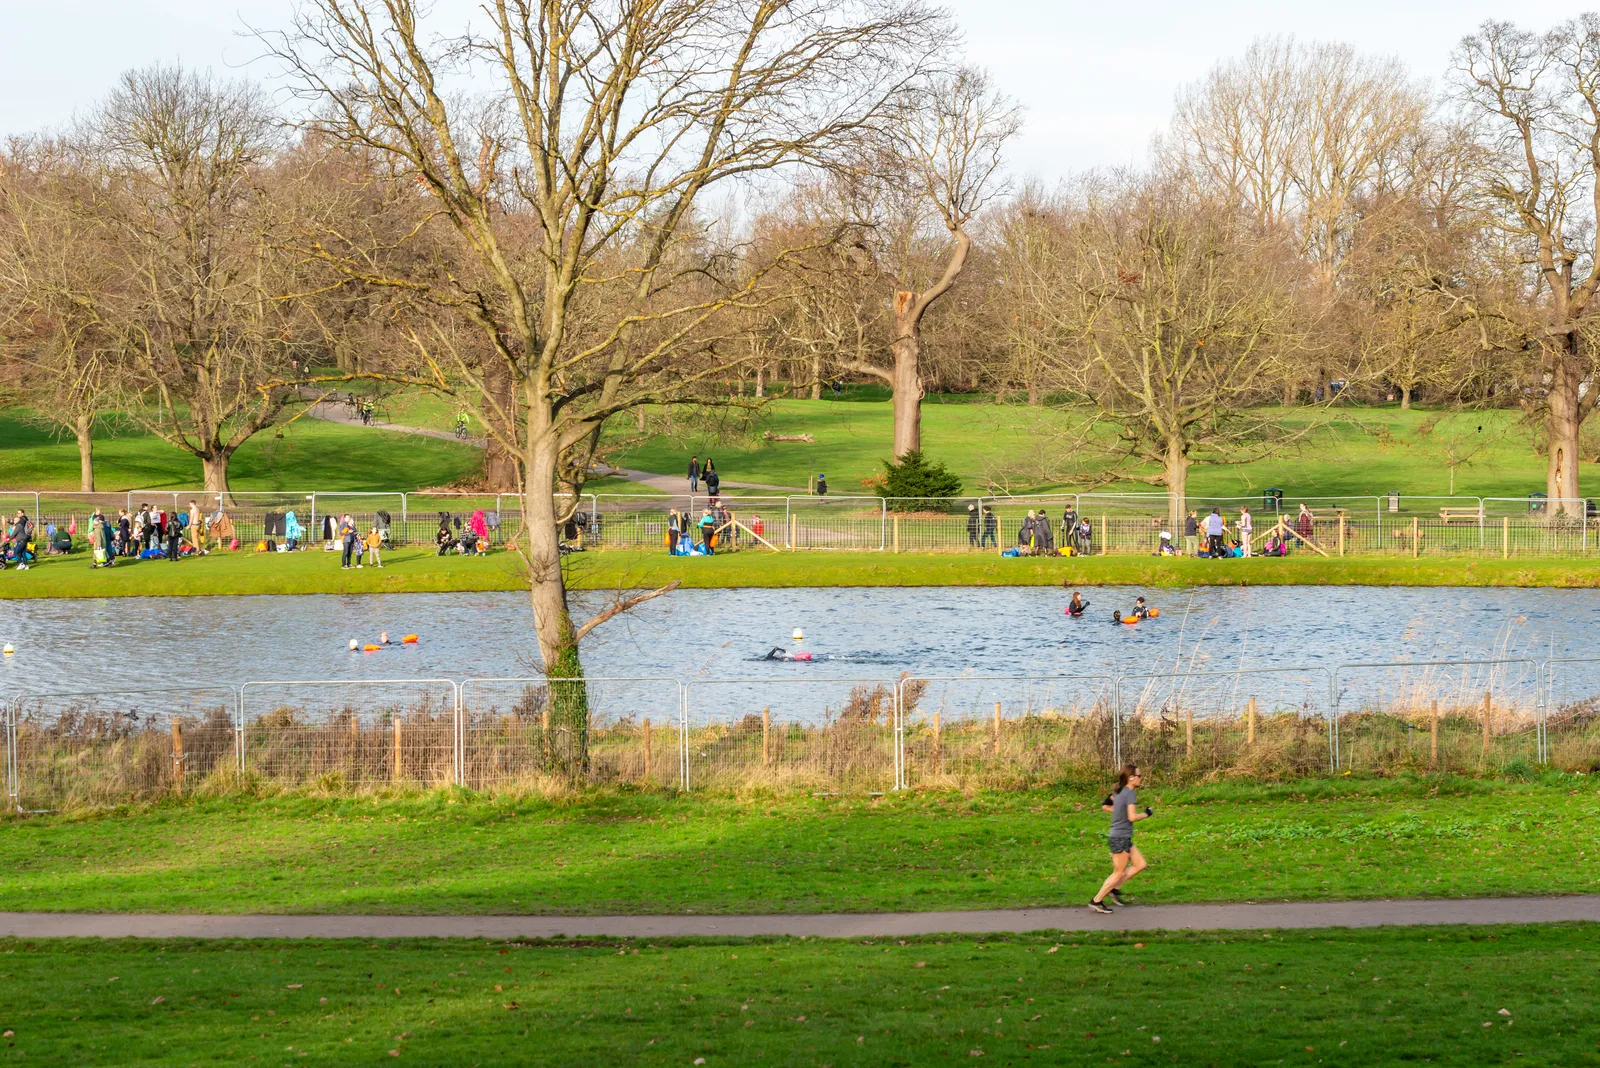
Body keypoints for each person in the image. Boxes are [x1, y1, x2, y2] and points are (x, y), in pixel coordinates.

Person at [1089, 764, 1154, 913]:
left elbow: (1105, 805)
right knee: (1118, 872)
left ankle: (1115, 889)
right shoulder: (1130, 793)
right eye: (1139, 776)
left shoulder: (1119, 789)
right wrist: (1146, 814)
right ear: (1131, 778)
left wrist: (1118, 811)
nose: (1141, 778)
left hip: (1122, 836)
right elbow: (1132, 817)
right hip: (1120, 837)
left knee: (1140, 864)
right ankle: (1096, 900)